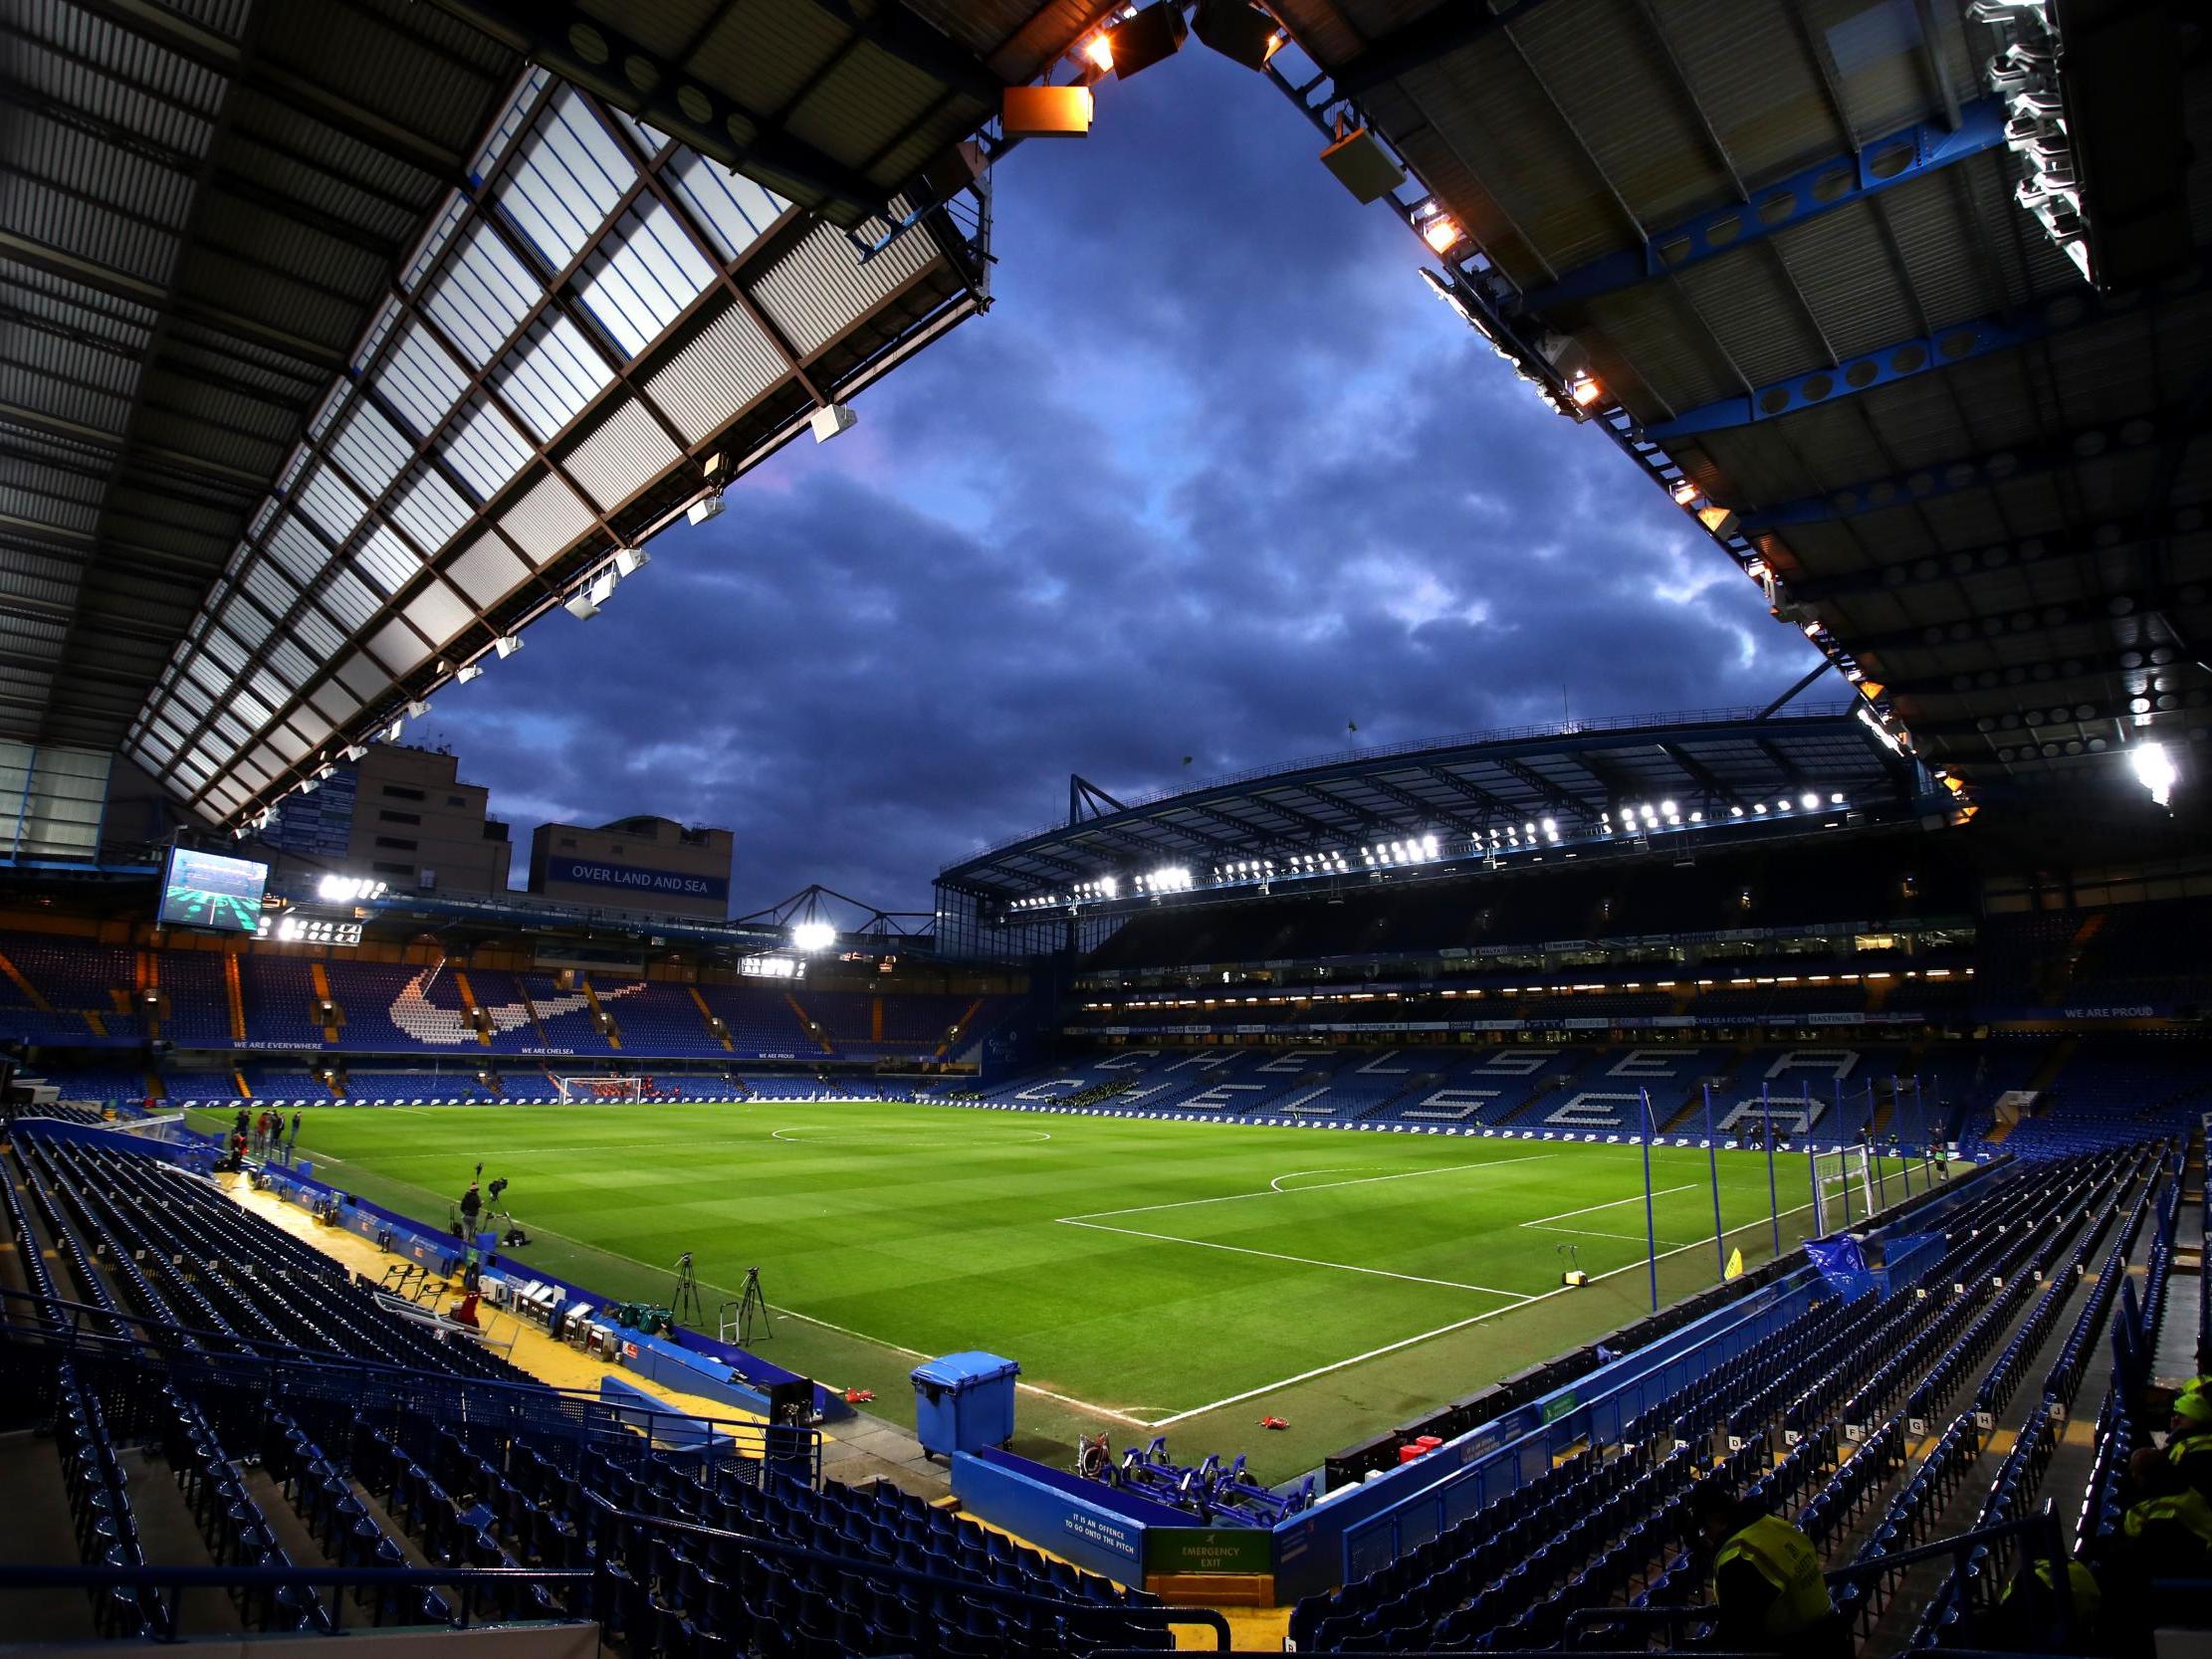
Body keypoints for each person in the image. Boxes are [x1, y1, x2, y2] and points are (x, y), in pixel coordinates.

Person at [1688, 1480, 1844, 1656]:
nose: (1707, 1535)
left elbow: (1736, 1630)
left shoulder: (1739, 1558)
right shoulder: (1768, 1525)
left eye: (1704, 1528)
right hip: (1829, 1629)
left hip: (1802, 1644)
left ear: (1710, 1519)